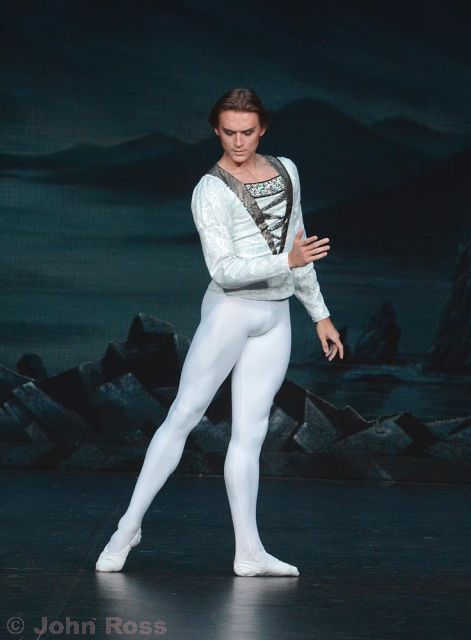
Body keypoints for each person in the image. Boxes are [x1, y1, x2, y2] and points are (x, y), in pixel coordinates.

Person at [95, 87, 344, 577]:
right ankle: (127, 528)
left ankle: (248, 551)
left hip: (276, 315)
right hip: (231, 309)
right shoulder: (209, 190)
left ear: (262, 129)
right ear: (217, 130)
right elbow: (224, 269)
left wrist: (319, 313)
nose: (238, 141)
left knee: (250, 433)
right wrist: (287, 260)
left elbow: (299, 242)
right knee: (183, 415)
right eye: (228, 132)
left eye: (247, 132)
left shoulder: (287, 170)